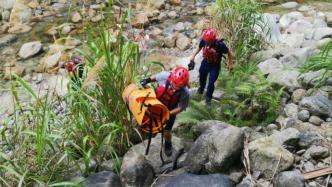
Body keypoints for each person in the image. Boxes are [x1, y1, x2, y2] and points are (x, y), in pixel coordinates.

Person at [140, 67, 190, 156]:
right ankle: (147, 133)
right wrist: (147, 80)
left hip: (170, 110)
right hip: (156, 103)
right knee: (147, 119)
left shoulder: (185, 93)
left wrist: (168, 113)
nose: (175, 88)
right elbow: (155, 77)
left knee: (166, 131)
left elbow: (181, 107)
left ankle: (167, 143)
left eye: (178, 87)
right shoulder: (165, 76)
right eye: (174, 85)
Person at [188, 28, 234, 105]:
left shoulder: (220, 45)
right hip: (206, 62)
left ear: (213, 39)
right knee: (202, 75)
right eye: (206, 41)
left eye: (209, 41)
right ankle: (201, 88)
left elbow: (228, 52)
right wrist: (193, 56)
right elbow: (199, 48)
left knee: (211, 82)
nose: (207, 42)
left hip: (215, 66)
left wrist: (230, 63)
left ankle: (208, 99)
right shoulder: (204, 40)